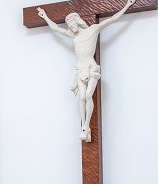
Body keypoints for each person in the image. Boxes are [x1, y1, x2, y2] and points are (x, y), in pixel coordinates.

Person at [37, 0, 134, 141]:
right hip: (80, 69)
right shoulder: (74, 36)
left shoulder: (93, 30)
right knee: (81, 97)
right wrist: (45, 16)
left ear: (77, 22)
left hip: (91, 68)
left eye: (72, 25)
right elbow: (56, 29)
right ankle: (84, 126)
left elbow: (112, 19)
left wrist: (127, 5)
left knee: (88, 96)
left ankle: (85, 127)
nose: (70, 28)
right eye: (69, 26)